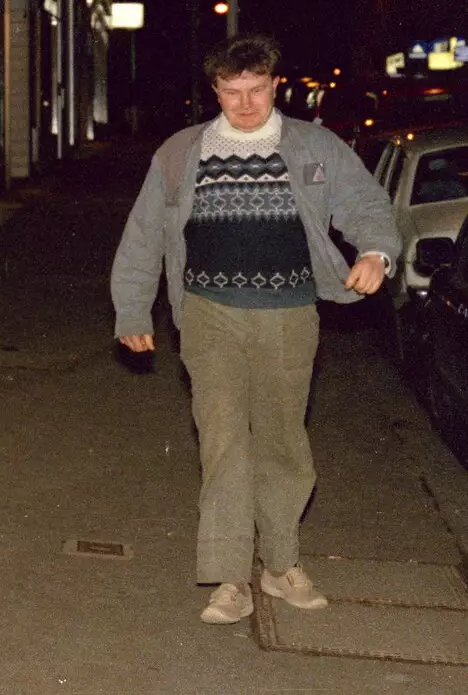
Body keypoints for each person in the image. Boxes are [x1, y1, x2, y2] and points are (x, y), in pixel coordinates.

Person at [110, 33, 400, 624]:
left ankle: (281, 564)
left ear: (275, 84)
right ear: (214, 89)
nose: (245, 104)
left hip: (290, 315)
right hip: (207, 314)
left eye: (256, 91)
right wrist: (132, 310)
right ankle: (228, 578)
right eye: (231, 92)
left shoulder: (314, 146)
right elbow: (143, 235)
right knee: (222, 444)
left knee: (283, 443)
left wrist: (376, 253)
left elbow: (368, 207)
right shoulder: (179, 153)